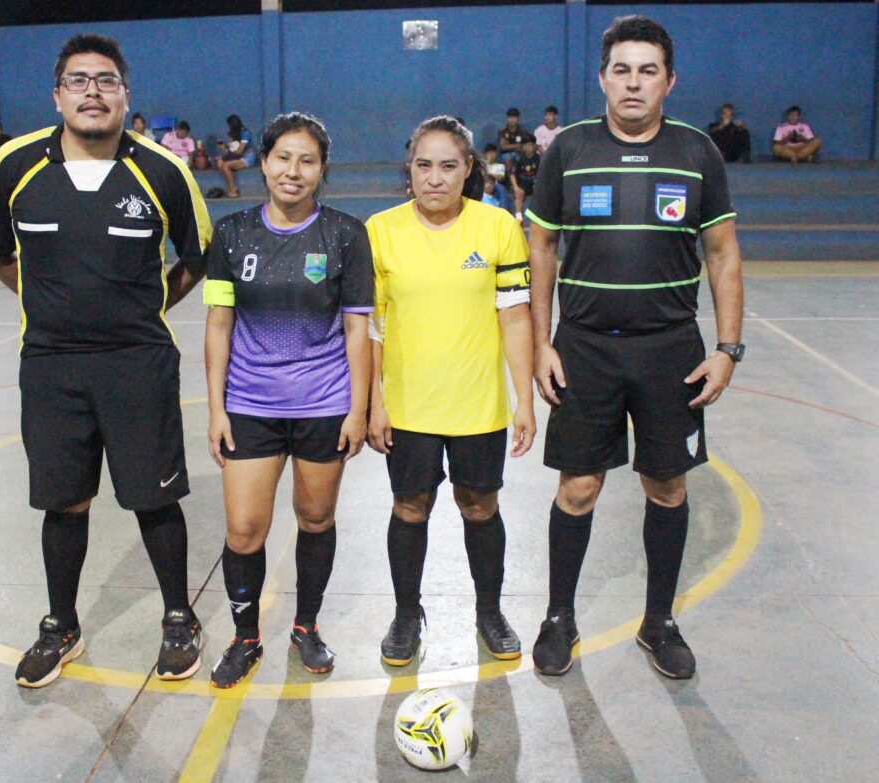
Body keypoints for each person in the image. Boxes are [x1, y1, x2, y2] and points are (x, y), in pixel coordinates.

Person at [0, 33, 213, 689]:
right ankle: (61, 624)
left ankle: (179, 617)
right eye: (78, 80)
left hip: (137, 363)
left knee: (154, 500)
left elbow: (197, 255)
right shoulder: (15, 165)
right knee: (64, 502)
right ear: (57, 95)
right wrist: (41, 297)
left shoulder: (163, 171)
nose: (92, 91)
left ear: (125, 94)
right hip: (50, 365)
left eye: (106, 80)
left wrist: (148, 302)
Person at [527, 15, 745, 681]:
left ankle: (659, 620)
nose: (633, 82)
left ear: (669, 81)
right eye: (621, 69)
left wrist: (728, 347)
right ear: (602, 78)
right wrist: (541, 342)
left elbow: (723, 253)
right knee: (579, 486)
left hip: (670, 349)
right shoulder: (567, 149)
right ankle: (559, 616)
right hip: (585, 347)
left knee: (667, 483)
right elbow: (541, 247)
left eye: (647, 70)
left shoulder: (698, 152)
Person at [203, 112, 372, 688]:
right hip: (251, 403)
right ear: (264, 162)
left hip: (325, 402)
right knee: (244, 530)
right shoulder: (231, 234)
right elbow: (219, 323)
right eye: (282, 158)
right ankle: (245, 636)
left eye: (307, 160)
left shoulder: (347, 234)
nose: (293, 171)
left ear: (322, 169)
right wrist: (216, 407)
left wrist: (358, 408)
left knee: (315, 517)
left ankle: (306, 626)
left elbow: (357, 329)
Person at [366, 115, 535, 667]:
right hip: (410, 404)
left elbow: (514, 316)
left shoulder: (499, 228)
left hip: (478, 404)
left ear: (468, 170)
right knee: (410, 507)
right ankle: (406, 613)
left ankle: (489, 610)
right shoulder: (380, 231)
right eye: (423, 165)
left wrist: (525, 400)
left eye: (447, 165)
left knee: (479, 505)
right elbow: (372, 326)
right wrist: (374, 402)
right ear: (409, 171)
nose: (434, 177)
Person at [215, 114, 257, 197]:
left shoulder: (245, 133)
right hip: (237, 156)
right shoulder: (234, 133)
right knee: (219, 163)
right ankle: (232, 186)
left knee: (225, 165)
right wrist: (223, 147)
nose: (229, 127)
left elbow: (239, 151)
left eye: (230, 125)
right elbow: (231, 146)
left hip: (247, 157)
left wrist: (225, 155)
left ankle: (233, 190)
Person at [509, 133, 540, 221]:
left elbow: (543, 174)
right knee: (520, 193)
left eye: (531, 145)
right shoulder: (519, 158)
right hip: (522, 183)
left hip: (535, 184)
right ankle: (519, 217)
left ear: (534, 146)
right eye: (526, 145)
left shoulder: (539, 158)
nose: (528, 147)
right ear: (523, 147)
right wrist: (515, 187)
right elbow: (512, 174)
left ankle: (538, 217)